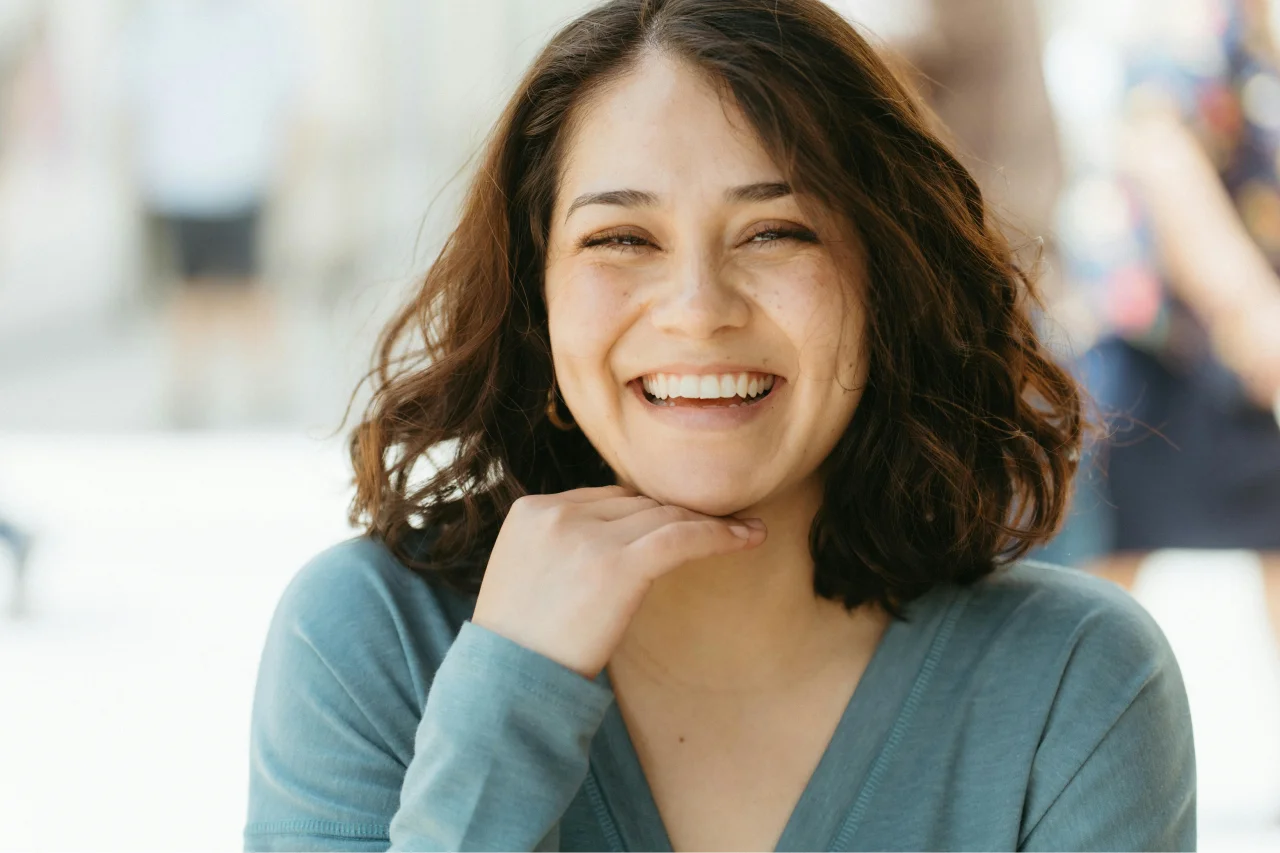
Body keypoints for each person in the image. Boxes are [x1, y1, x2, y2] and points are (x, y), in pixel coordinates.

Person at [244, 1, 1195, 850]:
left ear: (886, 284)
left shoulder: (1077, 683)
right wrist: (508, 697)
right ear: (537, 302)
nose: (698, 309)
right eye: (621, 239)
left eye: (776, 232)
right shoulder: (369, 636)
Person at [1057, 0, 1280, 620]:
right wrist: (1254, 309)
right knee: (1100, 593)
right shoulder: (1200, 19)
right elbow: (1159, 152)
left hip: (1243, 363)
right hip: (1164, 352)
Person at [119, 0, 298, 427]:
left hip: (242, 172)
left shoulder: (265, 18)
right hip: (183, 179)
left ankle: (268, 384)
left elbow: (291, 92)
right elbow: (130, 94)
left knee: (248, 285)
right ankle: (189, 388)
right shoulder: (158, 18)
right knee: (189, 287)